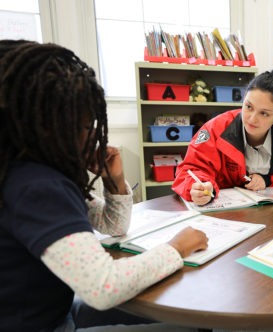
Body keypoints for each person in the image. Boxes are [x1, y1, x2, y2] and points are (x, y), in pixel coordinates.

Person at [0, 40, 209, 331]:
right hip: (46, 324)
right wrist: (177, 247)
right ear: (49, 127)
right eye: (87, 127)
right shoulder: (38, 186)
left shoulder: (26, 170)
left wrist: (115, 183)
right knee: (194, 327)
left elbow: (113, 226)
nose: (94, 135)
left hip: (53, 310)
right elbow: (104, 286)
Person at [172, 68, 273, 206]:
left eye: (264, 113)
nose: (252, 119)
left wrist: (267, 180)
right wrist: (199, 186)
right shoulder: (215, 129)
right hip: (221, 216)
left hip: (270, 216)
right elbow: (189, 170)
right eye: (248, 107)